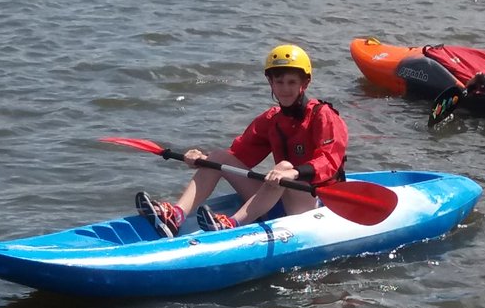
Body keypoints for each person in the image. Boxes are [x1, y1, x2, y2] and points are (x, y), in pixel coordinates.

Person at [136, 44, 349, 237]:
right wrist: (201, 159)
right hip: (275, 199)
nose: (285, 88)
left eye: (292, 82)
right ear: (270, 83)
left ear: (305, 82)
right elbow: (236, 156)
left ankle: (233, 224)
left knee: (283, 166)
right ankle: (176, 216)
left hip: (312, 205)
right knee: (218, 156)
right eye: (279, 81)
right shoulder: (271, 119)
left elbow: (329, 161)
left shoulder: (323, 115)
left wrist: (292, 172)